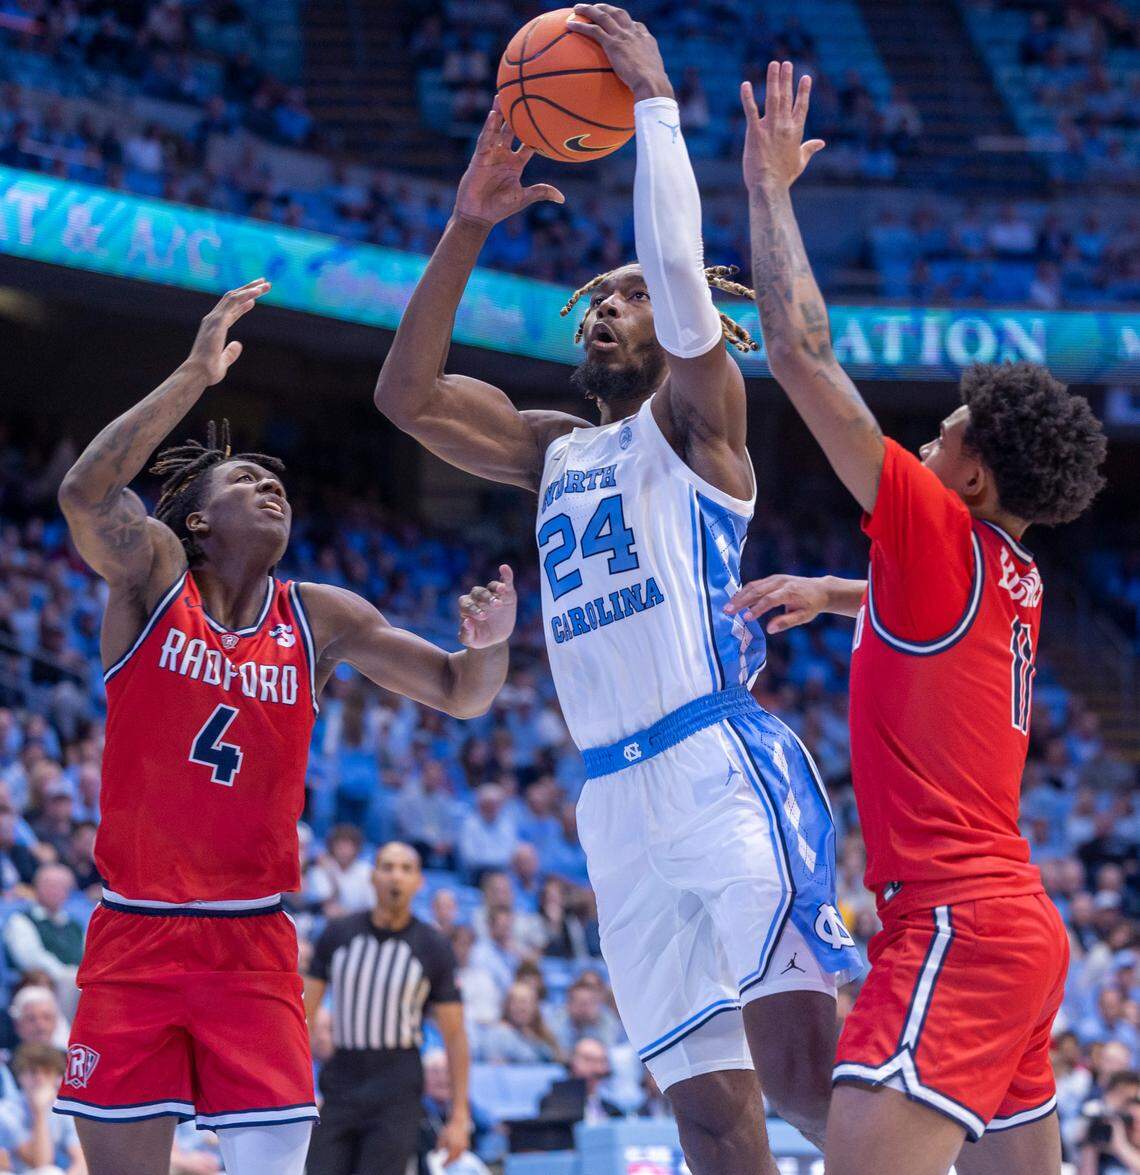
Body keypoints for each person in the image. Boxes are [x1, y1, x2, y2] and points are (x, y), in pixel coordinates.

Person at [373, 11, 858, 1170]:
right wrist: (465, 224)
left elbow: (689, 296)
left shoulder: (698, 426)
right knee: (707, 1111)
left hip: (717, 768)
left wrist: (652, 108)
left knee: (801, 1076)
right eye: (594, 296)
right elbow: (407, 394)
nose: (605, 304)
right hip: (614, 801)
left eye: (627, 295)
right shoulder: (551, 447)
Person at [52, 281, 518, 1175]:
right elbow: (86, 490)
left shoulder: (322, 616)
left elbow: (462, 691)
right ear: (196, 520)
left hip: (253, 940)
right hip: (134, 934)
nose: (272, 488)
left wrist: (491, 646)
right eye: (247, 481)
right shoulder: (154, 580)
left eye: (279, 485)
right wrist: (194, 374)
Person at [737, 60, 1108, 1175]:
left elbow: (802, 355)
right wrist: (836, 589)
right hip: (1014, 928)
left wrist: (767, 192)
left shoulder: (941, 533)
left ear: (977, 478)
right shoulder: (1013, 575)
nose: (924, 446)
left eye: (943, 434)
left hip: (953, 920)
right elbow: (935, 638)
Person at [303, 843, 471, 1174]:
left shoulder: (433, 947)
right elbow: (304, 1018)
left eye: (406, 869)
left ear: (419, 882)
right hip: (342, 1077)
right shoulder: (337, 935)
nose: (396, 876)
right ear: (372, 876)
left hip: (398, 1084)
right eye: (387, 867)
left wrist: (459, 1115)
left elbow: (454, 1036)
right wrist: (301, 1088)